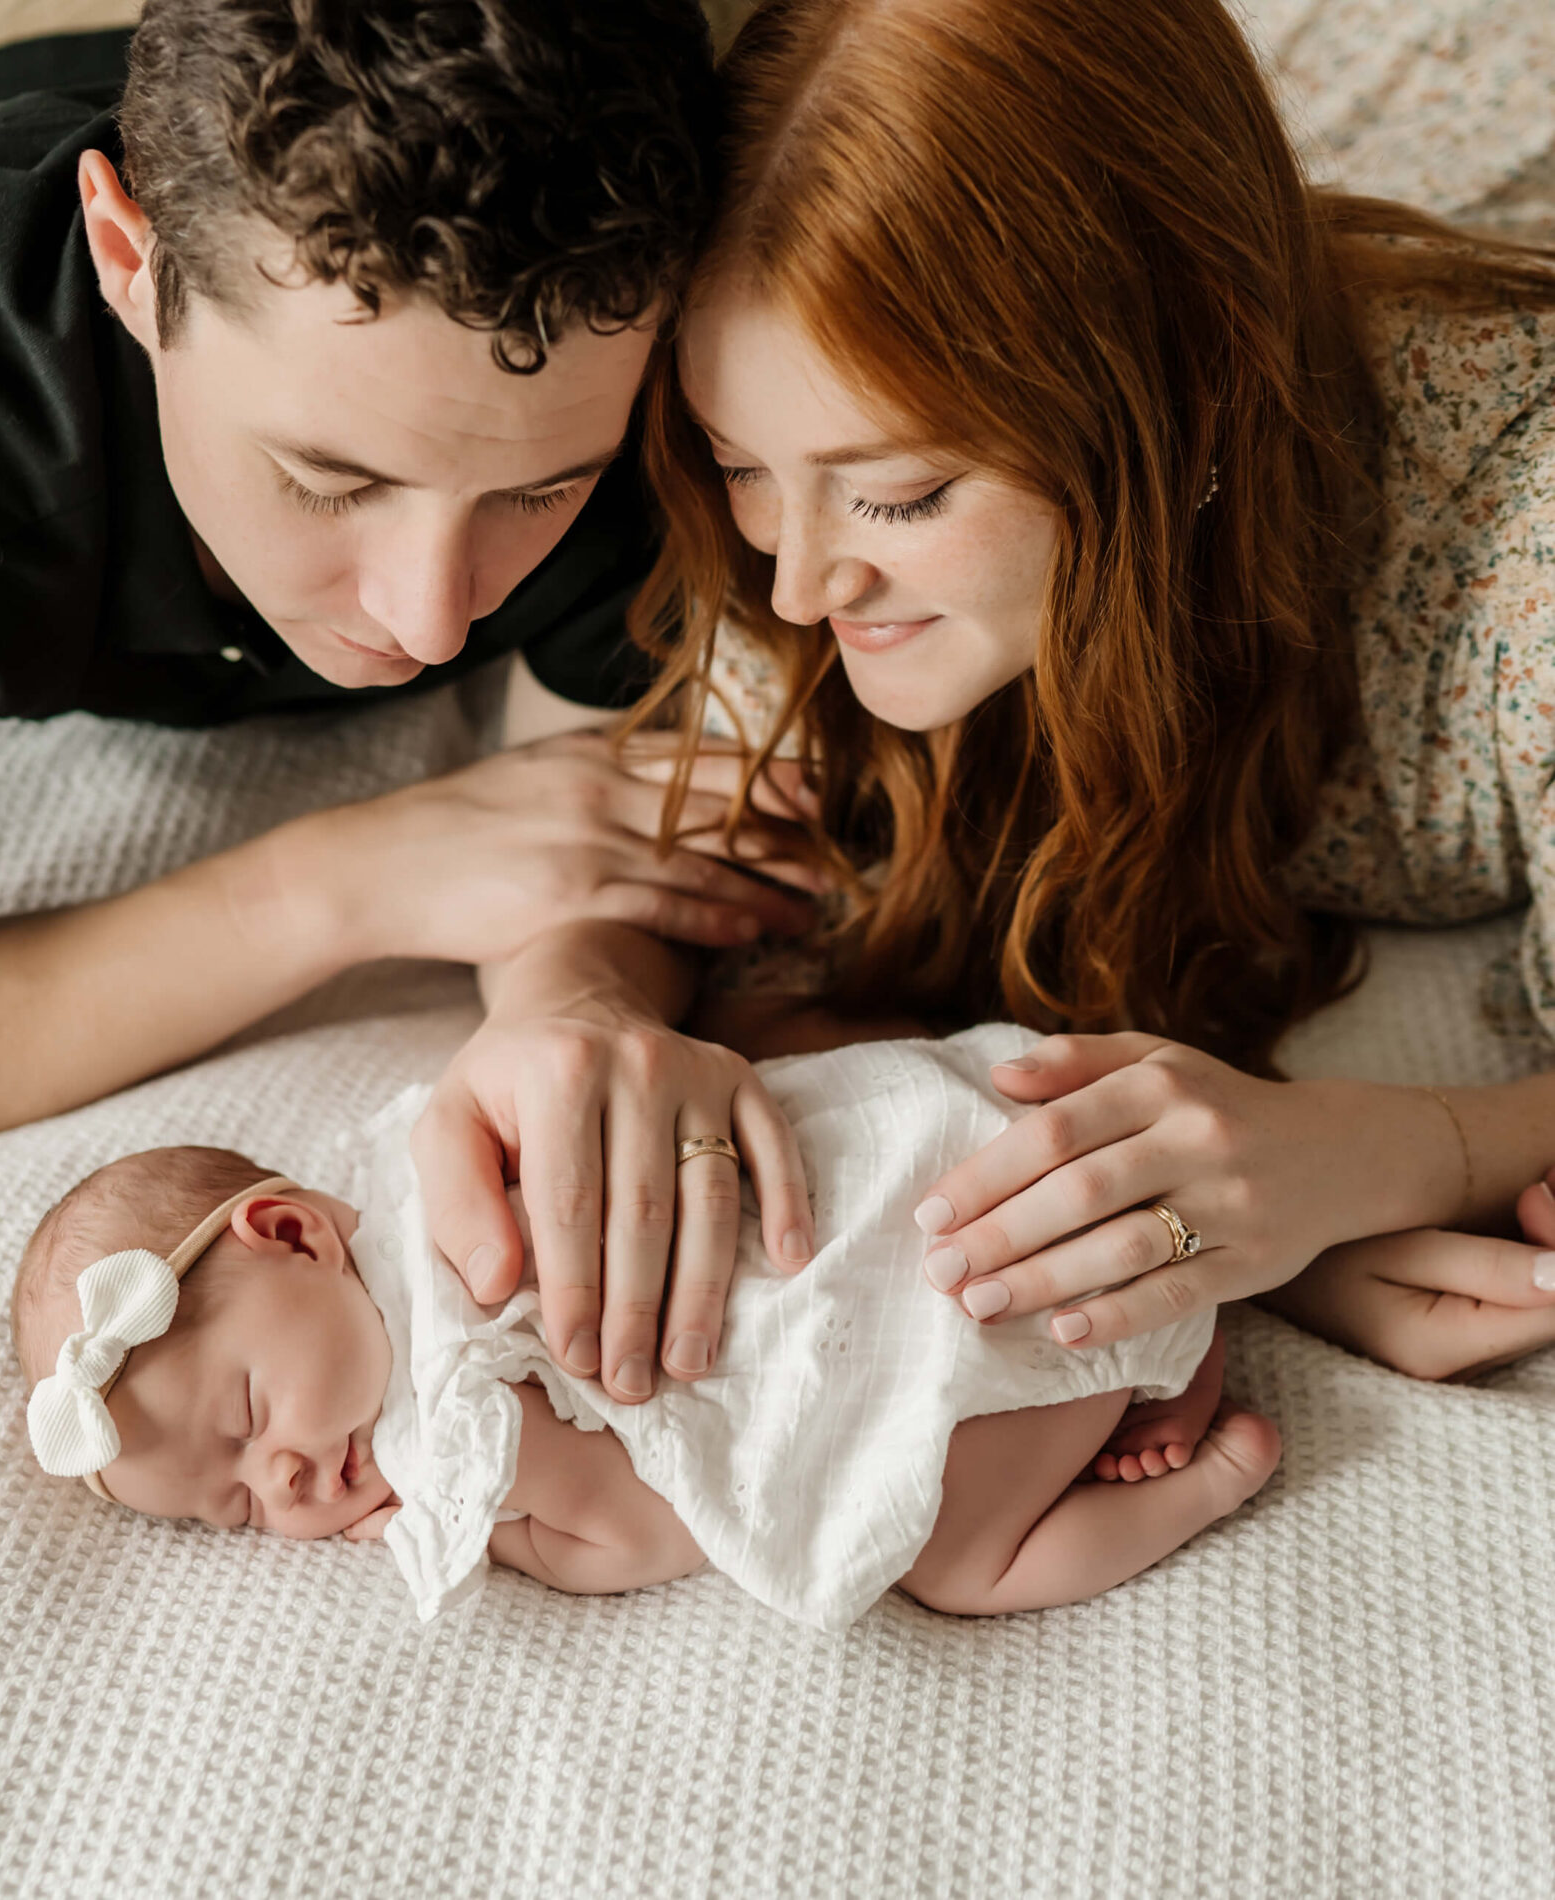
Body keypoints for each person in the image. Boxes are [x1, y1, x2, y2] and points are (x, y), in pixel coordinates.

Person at [0, 0, 823, 1410]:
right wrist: (348, 877)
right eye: (329, 480)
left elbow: (617, 795)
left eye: (537, 495)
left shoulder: (655, 318)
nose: (427, 614)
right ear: (127, 260)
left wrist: (569, 998)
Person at [627, 0, 1555, 1381]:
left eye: (900, 494)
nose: (800, 589)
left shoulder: (1517, 557)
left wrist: (1400, 1156)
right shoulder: (803, 449)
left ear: (1176, 416)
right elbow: (722, 918)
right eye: (741, 463)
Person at [9, 1034, 1278, 1628]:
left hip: (895, 1241)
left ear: (291, 1234)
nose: (277, 1477)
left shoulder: (450, 1406)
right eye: (234, 1504)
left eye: (245, 1417)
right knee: (1030, 1325)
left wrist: (508, 1521)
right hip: (955, 1175)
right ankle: (1166, 1349)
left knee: (952, 1565)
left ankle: (1204, 1461)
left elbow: (658, 1529)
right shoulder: (411, 1183)